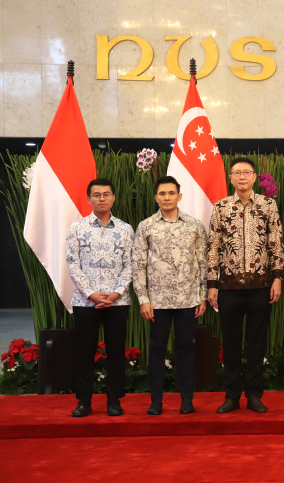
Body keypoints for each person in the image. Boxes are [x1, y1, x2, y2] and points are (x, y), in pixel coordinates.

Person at [207, 157, 284, 414]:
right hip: (228, 287)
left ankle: (253, 395)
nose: (242, 177)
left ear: (254, 177)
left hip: (261, 285)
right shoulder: (221, 207)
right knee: (230, 344)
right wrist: (212, 284)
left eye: (246, 172)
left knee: (256, 343)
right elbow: (213, 246)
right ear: (230, 178)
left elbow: (276, 242)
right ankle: (231, 395)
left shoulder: (268, 205)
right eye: (237, 173)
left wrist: (277, 278)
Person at [133, 176, 207, 416]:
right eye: (162, 193)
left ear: (179, 196)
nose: (167, 197)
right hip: (157, 302)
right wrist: (143, 299)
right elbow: (138, 265)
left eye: (171, 193)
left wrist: (202, 296)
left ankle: (187, 400)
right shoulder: (146, 226)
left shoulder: (195, 225)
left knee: (186, 349)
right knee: (156, 349)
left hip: (188, 300)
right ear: (156, 197)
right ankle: (156, 402)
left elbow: (203, 263)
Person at [65, 178, 134, 417]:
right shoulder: (77, 228)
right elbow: (73, 264)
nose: (102, 198)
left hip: (118, 301)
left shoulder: (126, 229)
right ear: (88, 199)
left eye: (106, 194)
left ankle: (114, 401)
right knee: (84, 352)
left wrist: (116, 293)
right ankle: (83, 401)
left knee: (116, 352)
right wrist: (91, 294)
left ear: (114, 197)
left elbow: (130, 265)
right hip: (85, 302)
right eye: (97, 195)